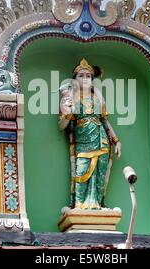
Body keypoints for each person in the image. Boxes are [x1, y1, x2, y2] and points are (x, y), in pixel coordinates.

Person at [58, 58, 121, 209]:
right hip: (82, 139)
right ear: (75, 79)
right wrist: (68, 113)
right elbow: (61, 126)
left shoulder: (97, 97)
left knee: (100, 172)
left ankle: (97, 204)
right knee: (81, 170)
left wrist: (116, 140)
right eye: (81, 75)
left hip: (101, 138)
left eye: (88, 76)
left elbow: (105, 121)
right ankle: (79, 204)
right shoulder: (69, 98)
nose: (85, 78)